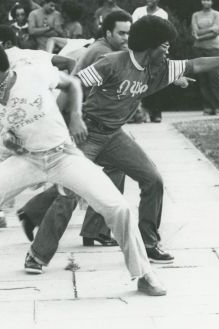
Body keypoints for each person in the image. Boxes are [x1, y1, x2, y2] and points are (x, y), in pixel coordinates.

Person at [20, 16, 219, 269]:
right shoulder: (111, 63)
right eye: (165, 45)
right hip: (88, 133)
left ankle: (149, 243)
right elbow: (73, 84)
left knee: (153, 179)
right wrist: (73, 119)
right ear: (150, 45)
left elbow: (198, 63)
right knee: (70, 192)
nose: (168, 49)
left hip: (114, 135)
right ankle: (38, 255)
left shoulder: (160, 68)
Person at [0, 39, 167, 303]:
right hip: (28, 161)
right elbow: (14, 128)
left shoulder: (33, 73)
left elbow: (72, 83)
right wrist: (13, 141)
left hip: (63, 156)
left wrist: (76, 115)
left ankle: (144, 274)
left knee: (118, 207)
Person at [18, 10, 133, 245]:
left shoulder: (104, 48)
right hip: (84, 121)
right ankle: (44, 226)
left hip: (84, 118)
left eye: (129, 33)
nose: (127, 38)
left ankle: (89, 228)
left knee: (102, 172)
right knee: (79, 179)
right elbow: (80, 85)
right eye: (122, 33)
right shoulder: (103, 52)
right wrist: (73, 118)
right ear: (108, 31)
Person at [192, 0, 219, 116]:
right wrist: (209, 29)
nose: (206, 2)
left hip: (214, 49)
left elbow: (216, 32)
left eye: (209, 0)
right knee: (203, 78)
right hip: (199, 49)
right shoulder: (196, 15)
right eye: (204, 0)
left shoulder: (217, 14)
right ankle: (208, 107)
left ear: (212, 2)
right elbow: (194, 31)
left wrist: (200, 35)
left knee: (214, 77)